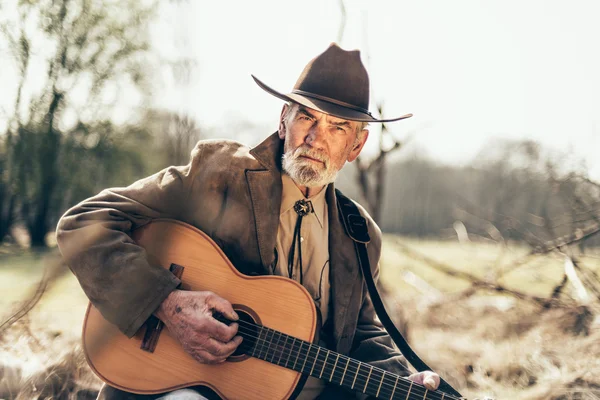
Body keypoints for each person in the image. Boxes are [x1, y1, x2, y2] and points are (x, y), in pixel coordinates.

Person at [56, 43, 441, 400]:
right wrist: (166, 302)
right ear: (283, 120)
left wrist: (398, 378)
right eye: (306, 116)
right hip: (191, 388)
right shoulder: (217, 173)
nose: (314, 137)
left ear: (356, 146)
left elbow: (359, 331)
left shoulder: (361, 234)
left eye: (337, 127)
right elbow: (84, 223)